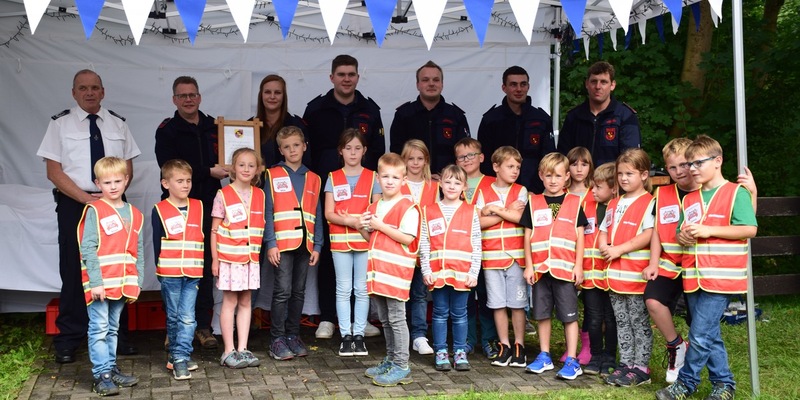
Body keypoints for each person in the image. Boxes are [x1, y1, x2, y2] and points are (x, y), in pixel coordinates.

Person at [37, 69, 141, 364]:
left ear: (103, 91)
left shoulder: (118, 123)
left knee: (116, 266)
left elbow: (128, 168)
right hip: (75, 202)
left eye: (95, 87)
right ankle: (70, 336)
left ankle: (117, 335)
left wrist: (110, 199)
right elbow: (53, 171)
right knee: (73, 267)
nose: (90, 92)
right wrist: (87, 199)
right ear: (74, 93)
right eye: (83, 88)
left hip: (114, 202)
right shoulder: (59, 124)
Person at [656, 135, 758, 400]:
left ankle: (685, 384)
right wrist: (684, 236)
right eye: (689, 164)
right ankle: (724, 385)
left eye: (698, 163)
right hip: (693, 277)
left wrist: (707, 230)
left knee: (699, 335)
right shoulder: (690, 199)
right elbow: (680, 233)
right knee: (710, 334)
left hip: (720, 277)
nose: (692, 169)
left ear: (718, 161)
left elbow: (749, 228)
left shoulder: (736, 192)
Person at [303, 54, 385, 339]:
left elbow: (379, 152)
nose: (346, 79)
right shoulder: (315, 110)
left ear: (358, 77)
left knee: (362, 259)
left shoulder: (370, 110)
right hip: (326, 192)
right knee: (327, 253)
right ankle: (328, 316)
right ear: (332, 77)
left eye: (351, 74)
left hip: (363, 193)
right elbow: (308, 154)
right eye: (341, 74)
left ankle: (358, 320)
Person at [155, 76, 226, 350]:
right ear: (174, 99)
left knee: (205, 265)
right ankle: (172, 326)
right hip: (175, 207)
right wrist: (207, 171)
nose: (188, 99)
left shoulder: (214, 127)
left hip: (208, 204)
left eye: (192, 94)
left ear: (200, 97)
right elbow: (167, 167)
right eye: (182, 95)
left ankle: (203, 327)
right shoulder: (167, 130)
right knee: (173, 266)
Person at [77, 157, 143, 396]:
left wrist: (138, 280)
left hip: (122, 283)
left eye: (117, 180)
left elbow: (138, 249)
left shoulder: (134, 213)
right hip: (101, 284)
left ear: (126, 180)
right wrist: (96, 283)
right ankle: (101, 375)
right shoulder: (95, 210)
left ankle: (111, 369)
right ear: (97, 183)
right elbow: (88, 249)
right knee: (99, 328)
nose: (113, 186)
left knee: (112, 328)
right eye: (107, 182)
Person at [520, 152, 587, 380]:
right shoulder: (533, 202)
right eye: (548, 175)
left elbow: (581, 238)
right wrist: (529, 266)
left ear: (567, 177)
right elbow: (527, 237)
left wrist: (579, 266)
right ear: (541, 175)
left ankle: (571, 359)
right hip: (540, 270)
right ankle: (545, 355)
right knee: (542, 314)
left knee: (569, 316)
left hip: (565, 269)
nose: (553, 180)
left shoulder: (575, 203)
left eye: (558, 175)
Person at [360, 153, 421, 387]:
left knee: (397, 319)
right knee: (385, 319)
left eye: (395, 177)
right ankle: (391, 359)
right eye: (385, 176)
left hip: (396, 273)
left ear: (404, 180)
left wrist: (380, 225)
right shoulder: (375, 205)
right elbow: (372, 237)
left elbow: (407, 238)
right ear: (378, 177)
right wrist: (362, 226)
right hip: (378, 272)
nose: (389, 181)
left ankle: (402, 366)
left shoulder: (408, 207)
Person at [263, 127, 323, 360]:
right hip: (282, 243)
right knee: (282, 292)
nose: (292, 150)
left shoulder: (314, 178)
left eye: (296, 145)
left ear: (304, 146)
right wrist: (271, 243)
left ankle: (293, 335)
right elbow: (267, 211)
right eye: (287, 146)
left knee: (298, 292)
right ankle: (277, 339)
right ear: (280, 150)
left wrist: (317, 245)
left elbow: (317, 214)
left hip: (305, 244)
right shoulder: (272, 174)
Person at [599, 148, 655, 387]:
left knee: (638, 322)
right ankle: (627, 363)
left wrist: (618, 249)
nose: (623, 178)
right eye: (620, 173)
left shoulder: (650, 202)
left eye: (629, 173)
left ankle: (641, 367)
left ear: (643, 175)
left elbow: (649, 234)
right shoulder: (613, 203)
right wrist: (604, 245)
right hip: (615, 276)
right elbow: (604, 229)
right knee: (621, 321)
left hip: (636, 275)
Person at [641, 138, 695, 384]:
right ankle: (676, 345)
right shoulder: (662, 193)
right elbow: (656, 232)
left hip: (698, 265)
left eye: (683, 165)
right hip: (669, 262)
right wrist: (653, 262)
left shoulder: (706, 190)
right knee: (653, 300)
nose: (678, 172)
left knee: (697, 318)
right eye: (671, 168)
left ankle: (696, 363)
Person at [324, 129, 382, 357]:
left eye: (357, 148)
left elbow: (377, 209)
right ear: (341, 151)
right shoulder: (333, 177)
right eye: (348, 148)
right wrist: (349, 220)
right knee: (343, 289)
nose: (353, 152)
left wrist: (359, 222)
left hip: (365, 241)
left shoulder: (373, 176)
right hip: (340, 242)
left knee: (361, 289)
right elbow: (329, 213)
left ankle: (359, 335)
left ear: (364, 150)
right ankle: (345, 335)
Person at [419, 164, 481, 372]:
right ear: (440, 184)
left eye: (457, 182)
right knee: (439, 313)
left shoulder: (471, 211)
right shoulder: (429, 211)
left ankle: (460, 351)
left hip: (462, 273)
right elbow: (425, 243)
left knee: (460, 313)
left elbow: (477, 243)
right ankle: (441, 351)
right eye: (447, 181)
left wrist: (474, 273)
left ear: (464, 186)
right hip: (437, 273)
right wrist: (426, 270)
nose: (452, 186)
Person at [211, 148, 265, 368]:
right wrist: (215, 260)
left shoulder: (260, 195)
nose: (246, 169)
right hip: (229, 257)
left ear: (257, 169)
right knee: (230, 302)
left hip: (251, 257)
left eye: (251, 165)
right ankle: (228, 350)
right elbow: (214, 230)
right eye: (241, 165)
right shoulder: (223, 194)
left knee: (246, 302)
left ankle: (243, 349)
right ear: (233, 168)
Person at [476, 146, 528, 368]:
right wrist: (506, 210)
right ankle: (504, 345)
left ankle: (519, 345)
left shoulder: (521, 190)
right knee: (497, 304)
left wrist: (494, 210)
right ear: (496, 167)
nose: (515, 171)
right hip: (491, 256)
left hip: (516, 256)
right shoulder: (482, 192)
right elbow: (477, 222)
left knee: (517, 304)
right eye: (510, 166)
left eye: (517, 167)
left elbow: (520, 218)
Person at [152, 160, 204, 380]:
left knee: (188, 317)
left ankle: (180, 356)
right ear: (166, 183)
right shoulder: (159, 209)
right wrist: (161, 271)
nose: (185, 185)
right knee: (175, 317)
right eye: (180, 181)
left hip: (193, 273)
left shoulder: (199, 206)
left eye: (188, 180)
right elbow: (156, 244)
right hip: (170, 274)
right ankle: (178, 356)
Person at [477, 66, 556, 194]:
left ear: (528, 87)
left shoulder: (542, 119)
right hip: (499, 191)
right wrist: (497, 188)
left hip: (535, 191)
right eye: (513, 85)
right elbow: (485, 160)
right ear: (504, 88)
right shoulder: (491, 120)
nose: (519, 89)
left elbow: (549, 159)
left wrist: (535, 189)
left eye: (523, 84)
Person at [454, 138, 500, 359]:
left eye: (471, 155)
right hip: (460, 250)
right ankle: (467, 339)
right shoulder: (451, 183)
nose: (467, 160)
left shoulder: (493, 183)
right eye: (461, 157)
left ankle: (490, 339)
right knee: (464, 296)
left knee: (487, 295)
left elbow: (501, 215)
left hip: (489, 249)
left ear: (481, 157)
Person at [390, 61, 470, 176]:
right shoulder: (404, 115)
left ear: (442, 84)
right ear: (417, 85)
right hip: (413, 181)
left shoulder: (456, 115)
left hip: (448, 183)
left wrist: (448, 176)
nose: (431, 84)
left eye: (436, 80)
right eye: (425, 80)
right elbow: (397, 152)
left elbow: (465, 154)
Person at [557, 61, 641, 167]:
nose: (598, 86)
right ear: (587, 84)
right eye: (594, 81)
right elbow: (563, 157)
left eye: (603, 82)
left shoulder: (625, 116)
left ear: (612, 85)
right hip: (580, 181)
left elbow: (631, 159)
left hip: (611, 181)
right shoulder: (574, 117)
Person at [400, 139, 439, 355]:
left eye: (420, 158)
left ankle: (419, 335)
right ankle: (401, 334)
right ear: (403, 161)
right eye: (410, 158)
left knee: (419, 294)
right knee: (400, 294)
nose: (415, 163)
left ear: (426, 161)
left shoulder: (435, 186)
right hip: (401, 248)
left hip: (424, 250)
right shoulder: (397, 183)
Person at [580, 162, 619, 377]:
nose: (592, 191)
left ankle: (610, 357)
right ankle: (595, 356)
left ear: (613, 188)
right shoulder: (586, 208)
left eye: (597, 187)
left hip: (613, 275)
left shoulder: (620, 208)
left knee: (611, 318)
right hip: (591, 274)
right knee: (593, 317)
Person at [563, 146, 594, 365]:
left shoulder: (596, 193)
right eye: (574, 164)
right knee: (568, 305)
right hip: (564, 256)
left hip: (592, 256)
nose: (579, 169)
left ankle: (589, 345)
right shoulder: (560, 194)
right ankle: (571, 346)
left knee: (591, 305)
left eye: (584, 164)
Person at [253, 74, 308, 169]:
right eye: (267, 92)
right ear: (261, 95)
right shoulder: (250, 127)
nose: (272, 96)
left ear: (284, 96)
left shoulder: (297, 125)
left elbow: (307, 162)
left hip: (289, 182)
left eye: (277, 92)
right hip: (257, 183)